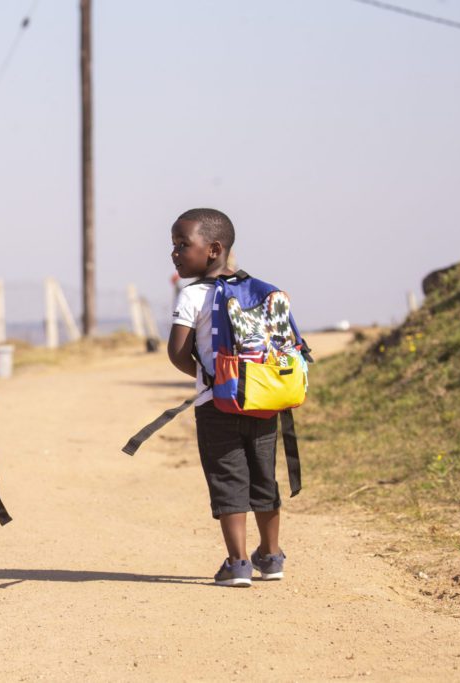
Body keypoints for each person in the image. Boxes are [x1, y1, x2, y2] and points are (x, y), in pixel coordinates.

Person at [167, 208, 286, 587]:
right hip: (265, 401)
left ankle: (237, 564)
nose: (175, 253)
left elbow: (176, 352)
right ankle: (271, 556)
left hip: (216, 406)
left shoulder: (194, 295)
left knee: (228, 478)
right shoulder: (263, 289)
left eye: (183, 245)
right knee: (263, 477)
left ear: (214, 249)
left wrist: (213, 379)